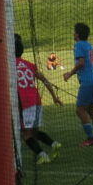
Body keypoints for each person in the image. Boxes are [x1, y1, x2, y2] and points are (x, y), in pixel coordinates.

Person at [15, 33, 63, 163]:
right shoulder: (30, 65)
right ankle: (53, 144)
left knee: (25, 134)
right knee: (34, 132)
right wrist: (54, 97)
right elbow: (45, 81)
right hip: (36, 101)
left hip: (24, 103)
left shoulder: (9, 67)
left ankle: (42, 156)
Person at [63, 22, 93, 146]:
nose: (73, 33)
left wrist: (69, 74)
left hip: (87, 83)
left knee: (80, 109)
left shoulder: (78, 45)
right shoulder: (89, 45)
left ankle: (91, 138)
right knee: (90, 109)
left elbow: (81, 63)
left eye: (74, 31)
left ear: (77, 34)